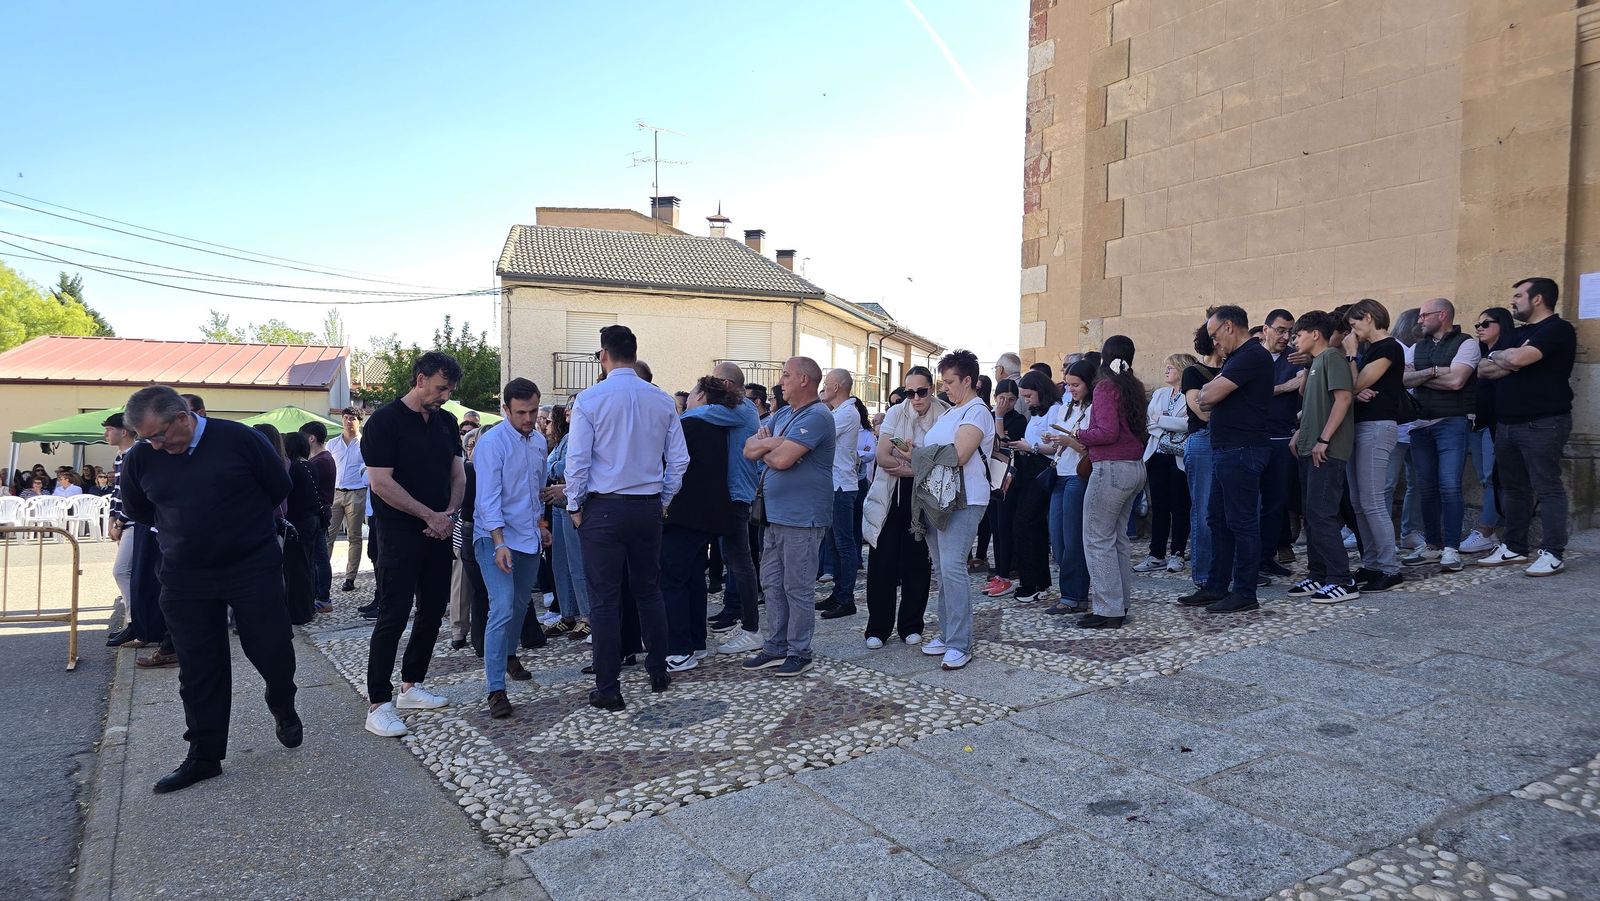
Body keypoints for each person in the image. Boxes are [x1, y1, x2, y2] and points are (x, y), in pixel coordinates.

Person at [119, 385, 299, 793]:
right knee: (199, 667)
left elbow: (278, 487)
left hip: (251, 566)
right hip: (185, 576)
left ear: (182, 417)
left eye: (160, 436)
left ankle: (282, 701)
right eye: (147, 438)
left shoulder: (239, 439)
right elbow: (138, 508)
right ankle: (204, 755)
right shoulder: (142, 457)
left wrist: (238, 527)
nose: (156, 445)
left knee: (270, 647)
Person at [565, 325, 687, 709]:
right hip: (647, 506)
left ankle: (608, 686)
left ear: (603, 355)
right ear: (634, 354)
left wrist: (573, 504)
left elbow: (578, 459)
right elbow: (680, 459)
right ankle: (658, 670)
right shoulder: (662, 399)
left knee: (604, 600)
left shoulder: (590, 398)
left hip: (604, 506)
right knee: (649, 590)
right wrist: (663, 498)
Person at [361, 351, 467, 739]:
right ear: (420, 379)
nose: (444, 396)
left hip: (439, 530)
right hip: (400, 534)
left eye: (450, 390)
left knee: (433, 609)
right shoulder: (384, 423)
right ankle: (378, 703)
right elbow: (381, 483)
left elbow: (458, 473)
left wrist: (449, 514)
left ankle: (411, 684)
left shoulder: (447, 422)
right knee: (393, 613)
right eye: (441, 388)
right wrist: (428, 515)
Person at [739, 356, 834, 677]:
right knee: (773, 583)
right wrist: (771, 443)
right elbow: (748, 449)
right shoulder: (781, 415)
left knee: (798, 586)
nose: (780, 381)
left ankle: (799, 650)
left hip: (802, 518)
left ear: (804, 380)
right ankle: (776, 646)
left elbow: (780, 460)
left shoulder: (818, 416)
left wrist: (769, 445)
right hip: (773, 516)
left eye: (786, 375)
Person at [899, 350, 993, 669]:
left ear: (969, 381)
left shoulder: (977, 411)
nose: (945, 388)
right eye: (943, 382)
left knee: (952, 568)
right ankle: (949, 632)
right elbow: (940, 451)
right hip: (940, 498)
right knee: (943, 569)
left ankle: (960, 642)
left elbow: (960, 454)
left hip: (964, 499)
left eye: (950, 382)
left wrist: (922, 456)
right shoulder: (952, 412)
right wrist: (917, 452)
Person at [1475, 277, 1576, 576]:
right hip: (1507, 423)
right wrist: (1505, 358)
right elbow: (1483, 369)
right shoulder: (1517, 333)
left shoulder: (1557, 329)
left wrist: (1509, 359)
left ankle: (1553, 551)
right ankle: (1514, 547)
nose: (1513, 300)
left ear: (1538, 299)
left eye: (1519, 295)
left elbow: (1518, 357)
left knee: (1547, 487)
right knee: (1513, 488)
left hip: (1544, 422)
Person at [1185, 305, 1274, 613]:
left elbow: (1206, 397)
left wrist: (1207, 391)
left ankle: (1245, 592)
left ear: (1228, 327)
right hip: (1228, 450)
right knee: (1218, 520)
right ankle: (1216, 586)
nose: (1214, 344)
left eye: (1214, 335)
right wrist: (1209, 392)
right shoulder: (1236, 359)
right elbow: (1207, 397)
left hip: (1242, 449)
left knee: (1242, 522)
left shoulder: (1251, 356)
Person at [472, 378, 549, 719]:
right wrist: (500, 543)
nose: (529, 418)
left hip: (528, 535)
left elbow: (537, 490)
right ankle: (495, 689)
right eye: (521, 412)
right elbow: (487, 499)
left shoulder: (540, 443)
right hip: (493, 536)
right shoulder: (492, 443)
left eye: (533, 411)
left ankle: (508, 654)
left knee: (520, 605)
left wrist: (543, 527)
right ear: (505, 409)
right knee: (501, 606)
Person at [1058, 337, 1147, 629]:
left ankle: (1108, 609)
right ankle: (1119, 604)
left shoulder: (1107, 386)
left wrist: (1080, 434)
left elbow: (1106, 432)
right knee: (1117, 538)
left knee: (1097, 539)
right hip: (1134, 467)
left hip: (1111, 468)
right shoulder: (1131, 385)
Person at [861, 366, 947, 648]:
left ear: (931, 389)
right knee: (881, 562)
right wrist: (920, 462)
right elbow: (882, 455)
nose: (915, 398)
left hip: (922, 496)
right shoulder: (897, 412)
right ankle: (877, 628)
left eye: (921, 391)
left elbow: (945, 462)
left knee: (917, 562)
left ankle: (912, 624)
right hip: (890, 494)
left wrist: (911, 466)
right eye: (910, 392)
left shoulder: (944, 414)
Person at [661, 376, 738, 672]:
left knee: (671, 579)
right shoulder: (720, 426)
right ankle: (696, 642)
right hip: (708, 514)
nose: (689, 398)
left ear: (702, 395)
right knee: (693, 578)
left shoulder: (689, 425)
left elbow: (673, 466)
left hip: (683, 512)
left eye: (692, 393)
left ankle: (679, 649)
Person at [1400, 298, 1480, 573]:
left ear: (1442, 315)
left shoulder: (1467, 343)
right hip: (1420, 424)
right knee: (1426, 488)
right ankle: (1433, 545)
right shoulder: (1416, 347)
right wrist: (1436, 371)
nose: (1419, 320)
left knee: (1449, 486)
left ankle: (1451, 548)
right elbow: (1403, 380)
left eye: (1424, 315)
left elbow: (1458, 381)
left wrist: (1421, 376)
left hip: (1452, 422)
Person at [1285, 311, 1359, 602]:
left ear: (1315, 333)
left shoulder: (1331, 358)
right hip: (1308, 447)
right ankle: (1318, 575)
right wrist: (1301, 434)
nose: (1294, 340)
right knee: (1311, 514)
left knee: (1322, 514)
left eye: (1299, 334)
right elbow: (1313, 403)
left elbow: (1343, 398)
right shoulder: (1316, 362)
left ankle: (1343, 579)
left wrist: (1324, 439)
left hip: (1327, 450)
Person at [1343, 298, 1408, 593]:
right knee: (1358, 502)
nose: (1352, 331)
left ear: (1367, 317)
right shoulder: (1370, 351)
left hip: (1377, 427)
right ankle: (1371, 563)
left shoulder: (1388, 347)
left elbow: (1354, 384)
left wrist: (1351, 357)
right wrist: (1356, 390)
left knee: (1372, 500)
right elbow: (1354, 388)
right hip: (1359, 426)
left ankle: (1390, 567)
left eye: (1354, 323)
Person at [698, 362, 763, 653]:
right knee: (734, 561)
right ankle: (744, 620)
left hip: (737, 497)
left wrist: (692, 402)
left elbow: (699, 414)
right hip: (730, 496)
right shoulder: (738, 408)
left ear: (725, 384)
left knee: (741, 563)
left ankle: (752, 629)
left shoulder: (741, 410)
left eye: (713, 381)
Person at [1040, 358, 1097, 615]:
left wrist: (1068, 440)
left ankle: (1073, 595)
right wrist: (1052, 440)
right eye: (1069, 384)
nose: (1071, 389)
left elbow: (1088, 446)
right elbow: (1056, 447)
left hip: (1077, 476)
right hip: (1060, 474)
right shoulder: (1065, 408)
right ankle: (1072, 592)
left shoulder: (1095, 408)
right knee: (1058, 539)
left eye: (1076, 385)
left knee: (1073, 539)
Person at [1001, 370, 1061, 603]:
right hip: (1028, 470)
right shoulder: (1037, 414)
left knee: (1026, 524)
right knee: (1028, 526)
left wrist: (1031, 446)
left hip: (1041, 470)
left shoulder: (1054, 410)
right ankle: (1037, 581)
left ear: (1040, 391)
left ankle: (1033, 582)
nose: (1026, 400)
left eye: (1028, 395)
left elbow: (1056, 445)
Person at [1461, 307, 1517, 554]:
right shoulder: (1480, 352)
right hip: (1476, 420)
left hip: (1496, 422)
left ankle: (1487, 529)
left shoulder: (1510, 351)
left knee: (1492, 477)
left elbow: (1486, 372)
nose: (1479, 329)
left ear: (1502, 325)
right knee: (1487, 478)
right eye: (1477, 325)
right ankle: (1490, 528)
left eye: (1486, 324)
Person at [1136, 353, 1195, 573]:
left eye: (1170, 367)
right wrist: (1168, 423)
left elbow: (1190, 423)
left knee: (1180, 506)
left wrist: (1162, 420)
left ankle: (1177, 553)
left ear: (1182, 369)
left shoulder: (1192, 394)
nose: (1166, 371)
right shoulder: (1160, 394)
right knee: (1159, 506)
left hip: (1179, 457)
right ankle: (1156, 553)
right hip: (1158, 455)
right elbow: (1149, 422)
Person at [1259, 309, 1304, 576]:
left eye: (1290, 331)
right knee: (1253, 502)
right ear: (1265, 330)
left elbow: (1303, 387)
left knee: (1276, 502)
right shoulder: (1252, 356)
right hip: (1253, 438)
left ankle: (1267, 555)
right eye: (1280, 330)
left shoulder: (1296, 358)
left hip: (1282, 437)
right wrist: (1283, 387)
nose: (1285, 336)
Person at [541, 406, 592, 639]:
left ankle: (586, 616)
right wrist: (554, 465)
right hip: (560, 505)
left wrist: (555, 465)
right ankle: (567, 613)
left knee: (577, 565)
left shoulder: (580, 436)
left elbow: (562, 467)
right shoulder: (565, 439)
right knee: (560, 565)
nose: (569, 412)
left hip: (574, 504)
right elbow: (551, 463)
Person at [816, 369, 862, 619]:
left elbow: (820, 434)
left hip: (842, 486)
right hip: (834, 485)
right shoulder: (838, 412)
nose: (822, 388)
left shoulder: (846, 413)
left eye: (825, 384)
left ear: (835, 387)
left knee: (844, 544)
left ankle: (846, 598)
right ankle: (838, 593)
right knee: (834, 544)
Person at [102, 413, 146, 648]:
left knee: (122, 571)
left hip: (134, 524)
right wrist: (112, 519)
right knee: (128, 572)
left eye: (109, 429)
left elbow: (133, 496)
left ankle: (137, 623)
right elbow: (117, 493)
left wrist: (119, 522)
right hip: (124, 523)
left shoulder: (135, 455)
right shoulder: (120, 458)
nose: (106, 434)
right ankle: (135, 623)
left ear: (125, 431)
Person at [982, 378, 1028, 597]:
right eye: (1002, 399)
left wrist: (999, 417)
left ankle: (1006, 573)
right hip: (989, 477)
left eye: (1011, 400)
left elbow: (1000, 443)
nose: (1006, 403)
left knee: (1004, 526)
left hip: (1008, 480)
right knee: (994, 527)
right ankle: (999, 571)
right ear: (995, 397)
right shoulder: (986, 417)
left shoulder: (1018, 420)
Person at [281, 431, 321, 625]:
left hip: (298, 522)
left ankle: (299, 612)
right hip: (312, 520)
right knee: (307, 565)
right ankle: (308, 608)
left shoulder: (293, 468)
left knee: (296, 569)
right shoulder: (309, 465)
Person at [326, 408, 368, 593]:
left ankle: (350, 577)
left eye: (352, 418)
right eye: (346, 418)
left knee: (354, 536)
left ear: (359, 421)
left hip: (357, 491)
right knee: (328, 535)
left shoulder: (365, 443)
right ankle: (323, 574)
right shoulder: (332, 443)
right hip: (334, 492)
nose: (348, 421)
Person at [299, 421, 337, 611]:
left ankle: (323, 597)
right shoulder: (323, 459)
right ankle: (320, 596)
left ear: (311, 438)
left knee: (319, 558)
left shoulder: (320, 462)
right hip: (321, 512)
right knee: (318, 557)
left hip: (318, 513)